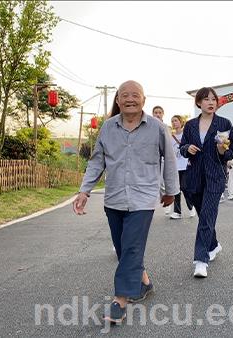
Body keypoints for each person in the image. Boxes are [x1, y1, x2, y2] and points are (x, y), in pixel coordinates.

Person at [73, 80, 179, 324]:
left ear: (144, 99)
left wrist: (171, 191)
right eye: (125, 96)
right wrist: (84, 191)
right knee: (123, 247)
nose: (130, 99)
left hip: (143, 198)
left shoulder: (157, 127)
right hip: (114, 198)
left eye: (135, 95)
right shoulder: (108, 127)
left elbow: (170, 161)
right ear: (118, 100)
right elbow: (97, 161)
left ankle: (120, 300)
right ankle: (144, 282)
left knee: (131, 246)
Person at [180, 87, 233, 278]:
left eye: (213, 99)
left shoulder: (224, 123)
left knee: (207, 216)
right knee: (203, 215)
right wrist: (188, 148)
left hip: (215, 177)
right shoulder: (189, 125)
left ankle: (200, 261)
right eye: (206, 99)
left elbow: (231, 152)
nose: (211, 102)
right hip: (195, 177)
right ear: (199, 103)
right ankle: (213, 245)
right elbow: (182, 148)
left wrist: (223, 151)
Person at [170, 115, 196, 219]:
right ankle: (177, 212)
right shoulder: (170, 137)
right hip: (175, 166)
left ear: (181, 122)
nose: (174, 123)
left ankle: (191, 206)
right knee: (176, 189)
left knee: (185, 188)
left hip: (186, 165)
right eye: (172, 121)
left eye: (176, 120)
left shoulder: (187, 135)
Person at [151, 105, 172, 216]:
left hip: (164, 158)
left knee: (163, 182)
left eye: (159, 112)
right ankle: (150, 205)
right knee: (153, 182)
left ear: (163, 114)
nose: (157, 114)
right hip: (152, 159)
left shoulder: (166, 127)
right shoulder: (148, 126)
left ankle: (167, 204)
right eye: (155, 112)